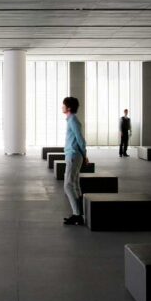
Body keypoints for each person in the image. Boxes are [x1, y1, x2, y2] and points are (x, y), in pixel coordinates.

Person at [62, 96, 88, 226]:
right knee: (75, 184)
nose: (62, 107)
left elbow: (80, 139)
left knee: (68, 185)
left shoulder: (72, 120)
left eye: (64, 105)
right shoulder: (71, 119)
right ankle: (80, 213)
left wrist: (85, 155)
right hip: (73, 155)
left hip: (73, 155)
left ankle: (77, 214)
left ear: (69, 108)